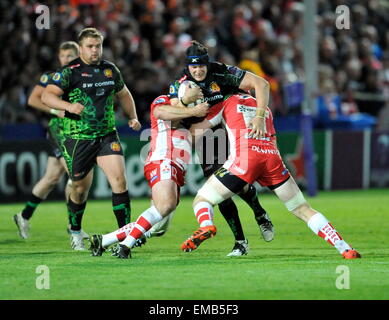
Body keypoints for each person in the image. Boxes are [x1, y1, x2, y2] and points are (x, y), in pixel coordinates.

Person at [180, 93, 361, 260]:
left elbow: (198, 131)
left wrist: (184, 119)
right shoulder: (263, 107)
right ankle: (345, 248)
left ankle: (206, 225)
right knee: (302, 209)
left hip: (245, 157)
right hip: (271, 156)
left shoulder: (225, 102)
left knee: (203, 199)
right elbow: (272, 138)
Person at [168, 40, 274, 256]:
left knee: (240, 185)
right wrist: (186, 106)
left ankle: (259, 213)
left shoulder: (222, 72)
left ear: (208, 64)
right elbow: (172, 116)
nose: (198, 70)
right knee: (220, 190)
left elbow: (261, 84)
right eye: (193, 66)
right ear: (187, 67)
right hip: (206, 137)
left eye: (202, 65)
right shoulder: (179, 86)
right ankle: (241, 242)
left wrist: (260, 117)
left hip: (232, 130)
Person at [42, 28, 141, 250]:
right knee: (78, 188)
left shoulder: (110, 70)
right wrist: (68, 106)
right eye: (90, 46)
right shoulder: (70, 72)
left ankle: (125, 237)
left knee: (120, 181)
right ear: (81, 47)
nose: (95, 50)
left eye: (98, 46)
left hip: (107, 134)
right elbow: (46, 96)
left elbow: (123, 93)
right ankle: (75, 230)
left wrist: (132, 116)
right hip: (78, 138)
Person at [89, 92, 209, 258]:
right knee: (165, 206)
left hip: (175, 167)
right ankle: (125, 245)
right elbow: (160, 112)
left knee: (159, 226)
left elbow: (192, 136)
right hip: (163, 160)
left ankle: (103, 240)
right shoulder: (164, 101)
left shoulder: (189, 117)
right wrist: (190, 108)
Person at [13, 41, 88, 242]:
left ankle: (23, 216)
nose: (66, 59)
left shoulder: (83, 74)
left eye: (70, 55)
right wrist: (57, 110)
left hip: (75, 129)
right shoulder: (53, 77)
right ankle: (73, 227)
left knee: (52, 177)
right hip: (59, 129)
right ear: (58, 58)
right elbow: (33, 99)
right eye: (63, 56)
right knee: (75, 175)